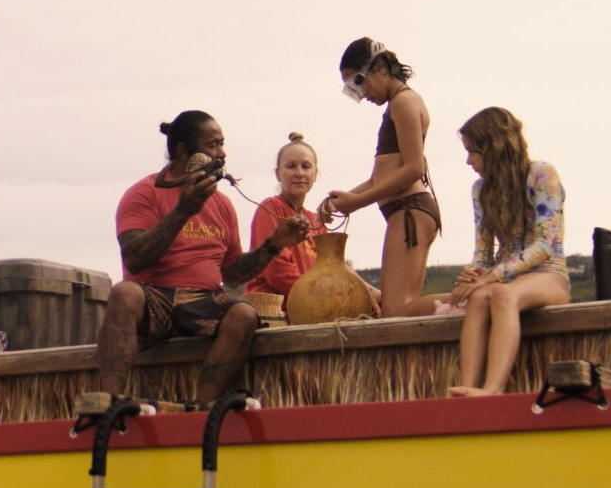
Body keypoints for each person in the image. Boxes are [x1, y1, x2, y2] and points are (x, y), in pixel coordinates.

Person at [94, 110, 309, 408]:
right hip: (154, 296)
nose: (222, 154)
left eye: (222, 144)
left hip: (202, 300)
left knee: (243, 314)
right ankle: (109, 402)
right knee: (124, 293)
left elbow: (232, 274)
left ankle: (200, 407)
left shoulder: (222, 204)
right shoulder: (144, 193)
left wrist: (273, 245)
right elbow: (135, 259)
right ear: (184, 152)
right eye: (213, 145)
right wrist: (184, 210)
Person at [448, 107, 570, 397]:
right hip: (504, 278)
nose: (468, 161)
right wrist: (473, 274)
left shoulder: (541, 174)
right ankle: (467, 388)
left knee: (503, 294)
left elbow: (545, 245)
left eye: (473, 151)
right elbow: (483, 253)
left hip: (549, 274)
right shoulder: (481, 190)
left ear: (495, 147)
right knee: (478, 298)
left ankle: (493, 389)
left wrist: (491, 276)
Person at [321, 37, 441, 318]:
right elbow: (380, 178)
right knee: (400, 309)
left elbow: (414, 168)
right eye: (353, 89)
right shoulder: (399, 103)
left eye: (359, 83)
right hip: (408, 211)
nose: (362, 94)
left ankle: (476, 302)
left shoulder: (403, 101)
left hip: (409, 210)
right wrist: (341, 200)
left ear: (380, 68)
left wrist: (357, 202)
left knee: (397, 309)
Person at [245, 132, 328, 300]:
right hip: (274, 306)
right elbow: (276, 271)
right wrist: (318, 297)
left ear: (315, 174)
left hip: (310, 303)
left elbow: (330, 267)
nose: (299, 173)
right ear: (278, 173)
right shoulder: (271, 209)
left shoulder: (317, 222)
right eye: (291, 166)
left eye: (306, 166)